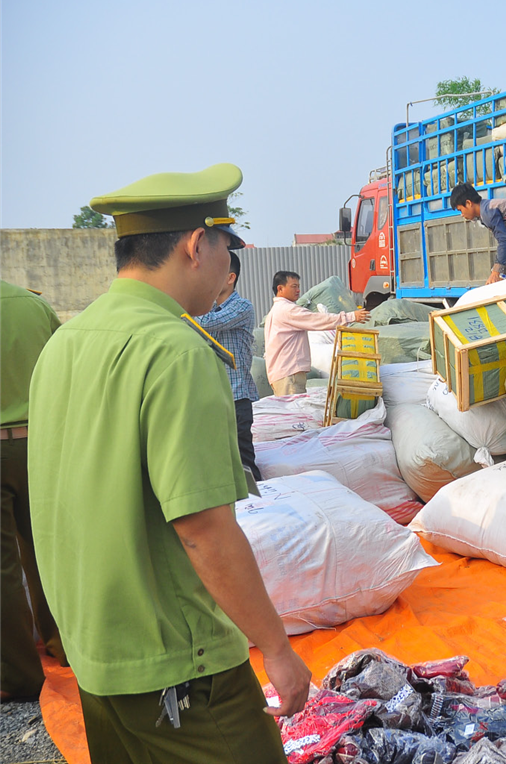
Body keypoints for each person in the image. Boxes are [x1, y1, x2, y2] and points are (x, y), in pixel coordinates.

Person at [27, 163, 310, 763]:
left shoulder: (66, 342)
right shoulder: (176, 350)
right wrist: (277, 649)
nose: (228, 268)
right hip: (180, 667)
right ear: (194, 245)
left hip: (97, 653)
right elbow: (203, 530)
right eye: (226, 249)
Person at [0, 280, 64, 702]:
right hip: (42, 440)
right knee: (51, 549)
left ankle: (20, 675)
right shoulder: (32, 306)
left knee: (3, 569)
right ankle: (69, 645)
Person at [196, 252, 261, 481]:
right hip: (215, 399)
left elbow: (206, 325)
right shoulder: (209, 309)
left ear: (230, 277)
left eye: (212, 273)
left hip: (236, 400)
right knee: (221, 465)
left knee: (244, 465)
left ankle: (263, 509)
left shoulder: (242, 307)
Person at [264, 270, 367, 396]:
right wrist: (349, 317)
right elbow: (316, 320)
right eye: (294, 286)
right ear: (280, 288)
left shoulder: (275, 311)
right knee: (295, 412)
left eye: (298, 286)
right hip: (289, 374)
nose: (298, 290)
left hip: (281, 373)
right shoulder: (287, 310)